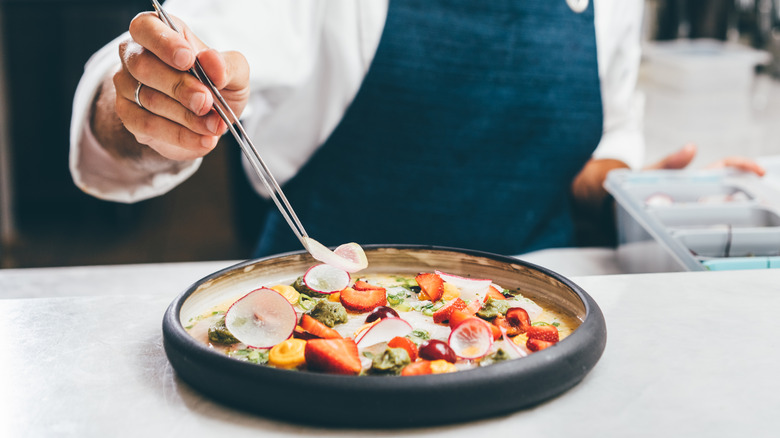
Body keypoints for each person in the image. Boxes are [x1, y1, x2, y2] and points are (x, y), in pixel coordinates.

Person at [70, 0, 763, 257]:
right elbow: (166, 65)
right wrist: (139, 100)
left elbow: (591, 163)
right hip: (322, 342)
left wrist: (638, 192)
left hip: (541, 335)